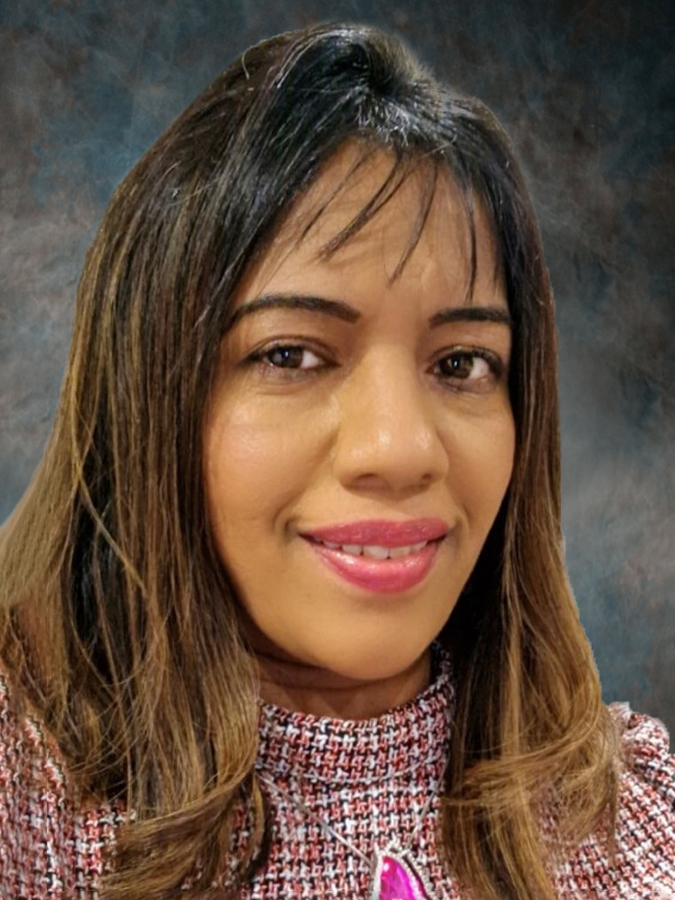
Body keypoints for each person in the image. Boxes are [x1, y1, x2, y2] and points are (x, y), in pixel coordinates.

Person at [0, 21, 673, 900]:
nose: (398, 450)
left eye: (461, 364)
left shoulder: (634, 814)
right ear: (147, 398)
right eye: (290, 355)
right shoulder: (27, 796)